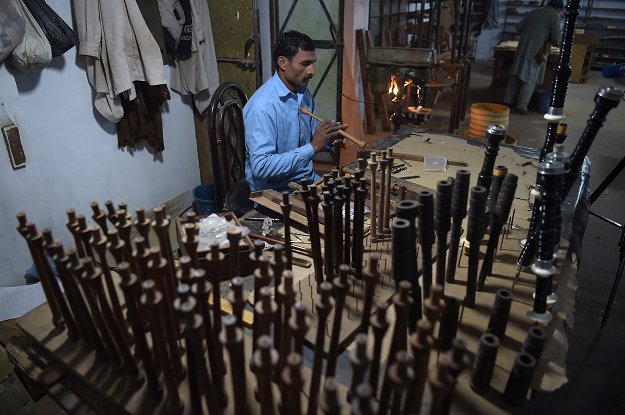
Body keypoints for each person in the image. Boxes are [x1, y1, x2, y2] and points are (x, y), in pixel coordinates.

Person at [244, 31, 347, 193]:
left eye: (312, 63)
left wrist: (327, 139)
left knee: (352, 202)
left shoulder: (303, 93)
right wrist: (312, 147)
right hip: (276, 191)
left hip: (305, 180)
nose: (312, 71)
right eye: (305, 64)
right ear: (283, 63)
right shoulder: (263, 106)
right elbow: (260, 167)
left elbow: (305, 140)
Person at [503, 0, 563, 115]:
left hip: (522, 50)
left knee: (515, 77)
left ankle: (507, 102)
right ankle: (522, 107)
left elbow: (519, 27)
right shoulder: (555, 15)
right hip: (536, 53)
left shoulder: (533, 11)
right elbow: (556, 36)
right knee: (529, 80)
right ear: (558, 9)